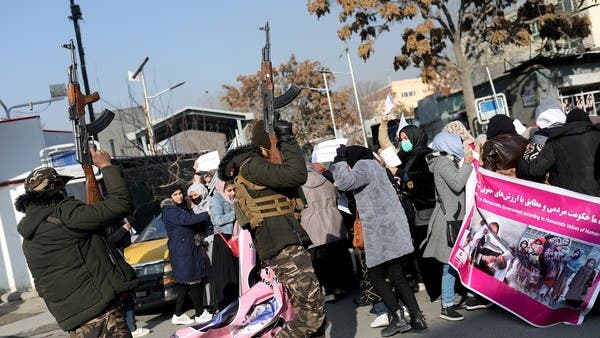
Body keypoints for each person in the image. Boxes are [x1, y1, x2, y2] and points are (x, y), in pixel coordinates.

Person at [217, 120, 326, 338]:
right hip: (281, 244)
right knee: (313, 311)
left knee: (306, 313)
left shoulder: (253, 166)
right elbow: (296, 174)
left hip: (283, 240)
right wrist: (287, 139)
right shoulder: (252, 165)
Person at [15, 148, 138, 337]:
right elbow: (121, 204)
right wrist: (106, 166)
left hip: (75, 321)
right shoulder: (65, 212)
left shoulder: (29, 237)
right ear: (56, 188)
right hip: (101, 314)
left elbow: (41, 285)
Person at [331, 144, 427, 336]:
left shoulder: (364, 166)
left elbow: (344, 182)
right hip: (393, 231)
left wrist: (340, 161)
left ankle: (399, 318)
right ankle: (417, 317)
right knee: (397, 275)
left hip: (381, 234)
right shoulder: (376, 166)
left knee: (375, 275)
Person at [421, 131, 474, 321]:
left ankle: (469, 296)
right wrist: (467, 163)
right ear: (447, 145)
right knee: (449, 264)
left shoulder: (444, 161)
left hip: (452, 218)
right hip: (448, 221)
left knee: (458, 261)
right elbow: (457, 183)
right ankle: (447, 305)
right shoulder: (443, 162)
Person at [300, 162, 354, 303]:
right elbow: (336, 197)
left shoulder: (299, 186)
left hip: (312, 225)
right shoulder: (325, 180)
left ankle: (329, 289)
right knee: (338, 256)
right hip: (334, 221)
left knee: (319, 260)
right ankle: (343, 286)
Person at [517, 108, 600, 196]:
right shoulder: (597, 135)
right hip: (596, 197)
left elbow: (536, 170)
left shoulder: (556, 140)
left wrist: (520, 163)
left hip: (568, 199)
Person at [162, 186, 211, 325]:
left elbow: (191, 221)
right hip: (182, 250)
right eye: (175, 194)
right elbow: (187, 221)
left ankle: (178, 314)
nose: (179, 196)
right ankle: (199, 313)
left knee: (185, 283)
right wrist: (206, 214)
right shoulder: (170, 210)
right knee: (193, 279)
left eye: (180, 193)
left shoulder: (182, 207)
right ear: (170, 197)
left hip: (187, 248)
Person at [106, 217, 151, 337]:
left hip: (119, 261)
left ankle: (129, 327)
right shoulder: (106, 223)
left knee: (126, 296)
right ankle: (131, 328)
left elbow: (126, 243)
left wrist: (125, 230)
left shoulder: (117, 220)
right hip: (114, 263)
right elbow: (108, 242)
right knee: (125, 296)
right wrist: (123, 230)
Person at [208, 178, 240, 314]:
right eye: (229, 190)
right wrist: (237, 213)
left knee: (237, 272)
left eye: (234, 190)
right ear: (222, 189)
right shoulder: (217, 199)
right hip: (224, 240)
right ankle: (226, 307)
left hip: (236, 238)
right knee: (226, 275)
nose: (232, 193)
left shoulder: (235, 199)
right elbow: (217, 220)